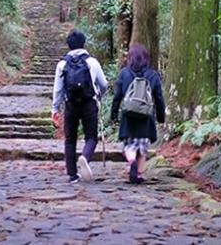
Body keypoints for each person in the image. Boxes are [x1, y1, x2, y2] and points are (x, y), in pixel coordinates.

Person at [51, 29, 109, 183]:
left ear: (69, 45)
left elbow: (58, 89)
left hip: (70, 105)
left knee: (70, 139)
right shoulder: (92, 62)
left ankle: (72, 174)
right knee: (91, 136)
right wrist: (99, 95)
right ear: (84, 43)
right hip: (89, 103)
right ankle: (84, 157)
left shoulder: (62, 64)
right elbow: (104, 84)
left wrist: (55, 109)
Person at [110, 44, 166, 184]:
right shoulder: (153, 75)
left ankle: (131, 160)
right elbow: (159, 98)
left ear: (130, 58)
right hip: (146, 117)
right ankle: (139, 175)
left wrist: (113, 115)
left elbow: (117, 97)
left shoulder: (124, 73)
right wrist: (161, 117)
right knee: (142, 147)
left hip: (128, 117)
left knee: (129, 146)